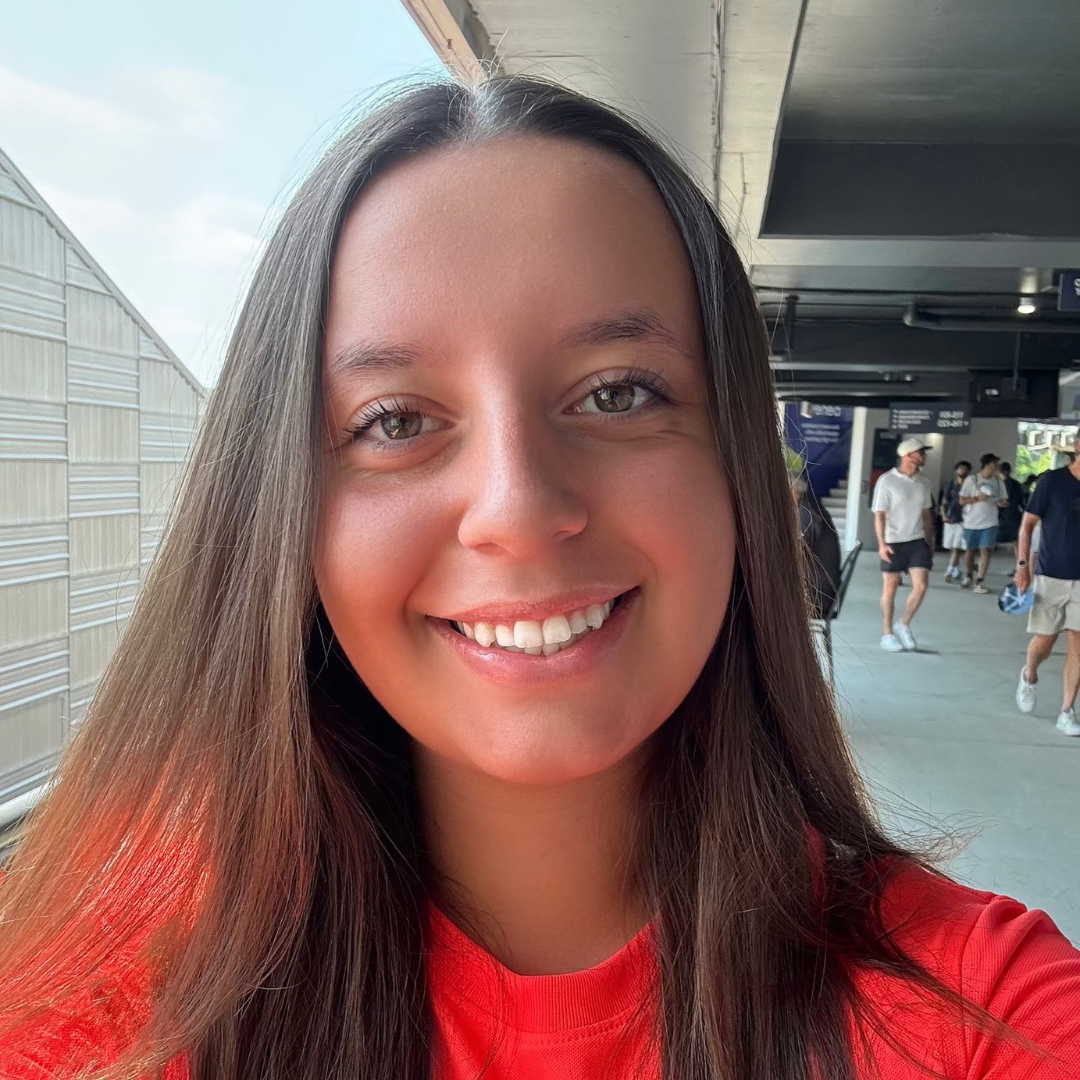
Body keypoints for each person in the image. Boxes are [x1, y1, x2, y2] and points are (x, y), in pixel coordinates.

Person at [0, 76, 1077, 1080]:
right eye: (396, 421)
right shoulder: (104, 1010)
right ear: (285, 508)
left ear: (737, 469)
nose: (516, 510)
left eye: (617, 394)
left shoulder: (984, 1011)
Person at [1014, 434, 1080, 737]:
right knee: (1045, 640)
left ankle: (1067, 711)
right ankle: (1029, 674)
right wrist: (1022, 567)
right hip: (1051, 573)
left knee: (1077, 642)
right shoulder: (1052, 481)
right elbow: (1027, 525)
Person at [871, 437, 934, 652]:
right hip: (893, 541)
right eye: (921, 453)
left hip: (916, 540)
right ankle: (887, 634)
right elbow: (879, 514)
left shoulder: (924, 482)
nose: (925, 456)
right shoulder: (887, 480)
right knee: (890, 588)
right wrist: (881, 544)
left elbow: (926, 514)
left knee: (921, 586)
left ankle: (904, 623)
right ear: (908, 455)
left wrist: (929, 542)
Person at [790, 473, 841, 621]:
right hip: (818, 590)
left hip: (816, 597)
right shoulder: (808, 505)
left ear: (792, 490)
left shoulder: (806, 511)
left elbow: (795, 553)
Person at [959, 452, 1008, 593]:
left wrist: (1003, 503)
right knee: (970, 551)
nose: (996, 467)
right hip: (971, 522)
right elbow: (961, 501)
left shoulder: (999, 482)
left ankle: (980, 581)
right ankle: (968, 575)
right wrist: (976, 499)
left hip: (990, 522)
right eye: (994, 464)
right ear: (986, 464)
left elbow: (1004, 499)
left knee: (986, 550)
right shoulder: (972, 480)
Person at [938, 459, 970, 581]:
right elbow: (944, 502)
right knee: (951, 546)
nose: (963, 471)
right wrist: (944, 515)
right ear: (956, 471)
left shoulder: (970, 486)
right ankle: (956, 569)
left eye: (965, 469)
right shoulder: (951, 485)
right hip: (951, 518)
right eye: (960, 468)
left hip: (964, 519)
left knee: (957, 546)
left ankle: (950, 569)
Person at [996, 461, 1025, 567]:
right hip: (1015, 515)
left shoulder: (1001, 484)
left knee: (990, 542)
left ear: (999, 472)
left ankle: (979, 562)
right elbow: (1021, 501)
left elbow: (1004, 502)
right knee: (1016, 542)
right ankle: (1020, 566)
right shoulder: (1017, 484)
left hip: (1004, 516)